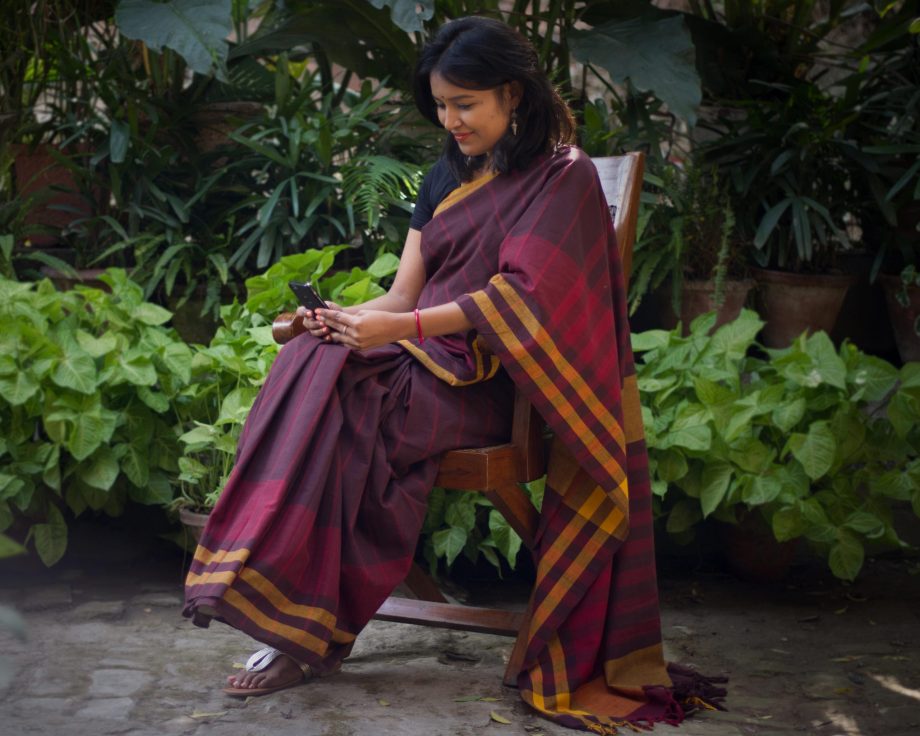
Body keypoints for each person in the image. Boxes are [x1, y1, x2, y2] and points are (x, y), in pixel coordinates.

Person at [184, 16, 724, 735]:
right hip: (422, 356)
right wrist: (345, 319)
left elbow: (522, 302)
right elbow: (404, 296)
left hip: (498, 385)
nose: (450, 120)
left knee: (353, 409)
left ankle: (306, 633)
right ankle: (297, 622)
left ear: (513, 95)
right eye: (441, 105)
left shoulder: (564, 178)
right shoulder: (445, 173)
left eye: (464, 104)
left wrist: (394, 333)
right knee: (312, 359)